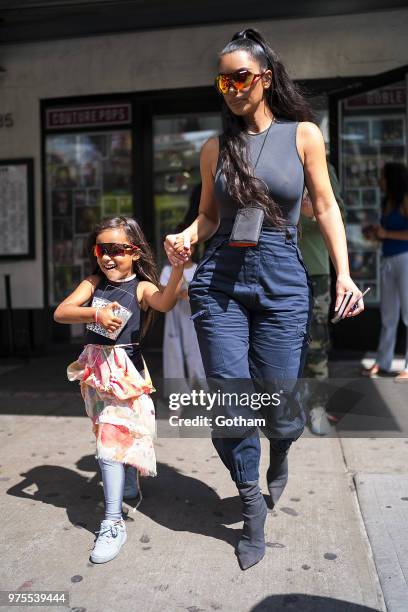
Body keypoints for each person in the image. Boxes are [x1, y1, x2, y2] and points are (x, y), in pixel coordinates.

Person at [164, 28, 364, 571]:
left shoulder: (303, 135)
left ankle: (282, 447)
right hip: (221, 280)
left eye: (241, 77)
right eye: (222, 79)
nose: (230, 87)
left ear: (266, 79)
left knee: (277, 399)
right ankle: (251, 503)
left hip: (281, 277)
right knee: (231, 399)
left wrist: (344, 274)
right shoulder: (214, 147)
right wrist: (187, 235)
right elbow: (208, 216)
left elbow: (325, 207)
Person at [54, 216, 185, 563]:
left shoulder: (140, 288)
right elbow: (62, 312)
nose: (108, 257)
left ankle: (113, 522)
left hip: (126, 373)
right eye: (101, 250)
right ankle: (128, 480)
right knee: (106, 432)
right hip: (96, 372)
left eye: (117, 250)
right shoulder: (93, 282)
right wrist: (94, 316)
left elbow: (166, 302)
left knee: (109, 440)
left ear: (136, 253)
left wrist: (177, 271)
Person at [299, 164, 345, 435]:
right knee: (277, 344)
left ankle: (317, 406)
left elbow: (337, 211)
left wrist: (312, 213)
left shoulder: (322, 167)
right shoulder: (268, 156)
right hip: (275, 270)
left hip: (314, 270)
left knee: (315, 344)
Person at [362, 162, 408, 381]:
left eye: (382, 176)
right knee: (388, 315)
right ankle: (383, 361)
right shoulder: (387, 201)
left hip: (405, 259)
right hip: (389, 260)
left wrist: (386, 233)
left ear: (392, 179)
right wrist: (376, 234)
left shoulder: (405, 199)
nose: (379, 180)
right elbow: (386, 233)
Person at [160, 235, 206, 400]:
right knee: (174, 353)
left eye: (189, 247)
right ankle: (178, 398)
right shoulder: (168, 270)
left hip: (194, 316)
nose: (185, 251)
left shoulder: (200, 268)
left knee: (197, 352)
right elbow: (163, 291)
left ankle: (203, 392)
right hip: (175, 315)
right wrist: (179, 292)